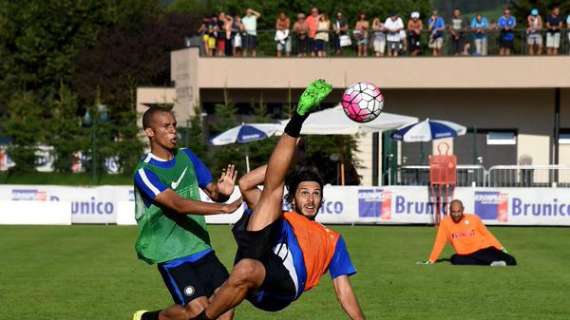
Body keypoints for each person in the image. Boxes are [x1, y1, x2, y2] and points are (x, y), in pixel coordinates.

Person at [191, 80, 365, 320]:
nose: (311, 199)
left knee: (243, 269)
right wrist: (291, 161)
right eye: (304, 192)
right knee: (208, 300)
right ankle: (149, 317)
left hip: (283, 284)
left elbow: (343, 290)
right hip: (255, 262)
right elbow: (246, 184)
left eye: (316, 193)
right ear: (293, 198)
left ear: (322, 200)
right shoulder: (283, 216)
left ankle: (298, 120)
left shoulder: (333, 240)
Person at [131, 107, 243, 320]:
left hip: (200, 245)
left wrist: (222, 193)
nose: (173, 131)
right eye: (166, 126)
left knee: (226, 304)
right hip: (171, 254)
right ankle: (151, 318)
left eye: (174, 125)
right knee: (197, 311)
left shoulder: (188, 156)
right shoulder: (145, 172)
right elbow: (178, 205)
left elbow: (212, 191)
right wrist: (223, 208)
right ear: (150, 132)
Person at [419, 199, 517, 266]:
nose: (456, 214)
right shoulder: (445, 223)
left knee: (512, 261)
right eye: (453, 212)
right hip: (465, 254)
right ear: (449, 211)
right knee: (454, 259)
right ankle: (492, 263)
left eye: (458, 211)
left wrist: (500, 248)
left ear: (463, 210)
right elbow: (439, 242)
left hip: (482, 249)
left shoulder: (473, 218)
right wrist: (431, 260)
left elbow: (487, 234)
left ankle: (493, 262)